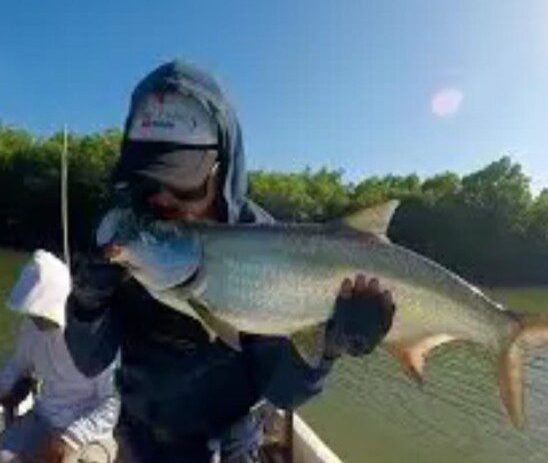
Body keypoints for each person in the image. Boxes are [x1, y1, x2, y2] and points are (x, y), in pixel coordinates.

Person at [65, 60, 395, 462]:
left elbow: (282, 391)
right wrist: (87, 303)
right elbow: (88, 361)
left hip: (226, 449)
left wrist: (327, 349)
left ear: (222, 170)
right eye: (148, 181)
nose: (163, 200)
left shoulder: (271, 245)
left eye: (184, 182)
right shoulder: (130, 232)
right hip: (137, 438)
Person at [0, 250, 119, 463]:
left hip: (90, 434)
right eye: (32, 313)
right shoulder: (32, 327)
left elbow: (111, 404)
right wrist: (3, 388)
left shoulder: (98, 335)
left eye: (40, 313)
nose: (35, 319)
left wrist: (70, 439)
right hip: (43, 418)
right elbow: (18, 364)